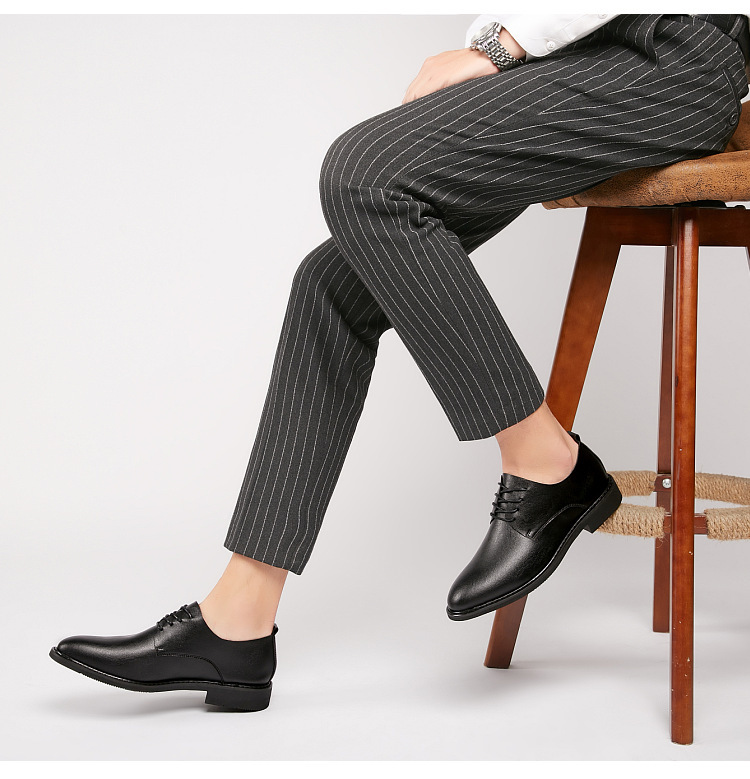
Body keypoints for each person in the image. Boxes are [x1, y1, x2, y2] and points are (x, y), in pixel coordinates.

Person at [49, 13, 750, 712]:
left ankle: (546, 460)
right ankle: (238, 620)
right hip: (589, 54)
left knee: (363, 173)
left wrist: (501, 46)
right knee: (332, 282)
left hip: (672, 60)